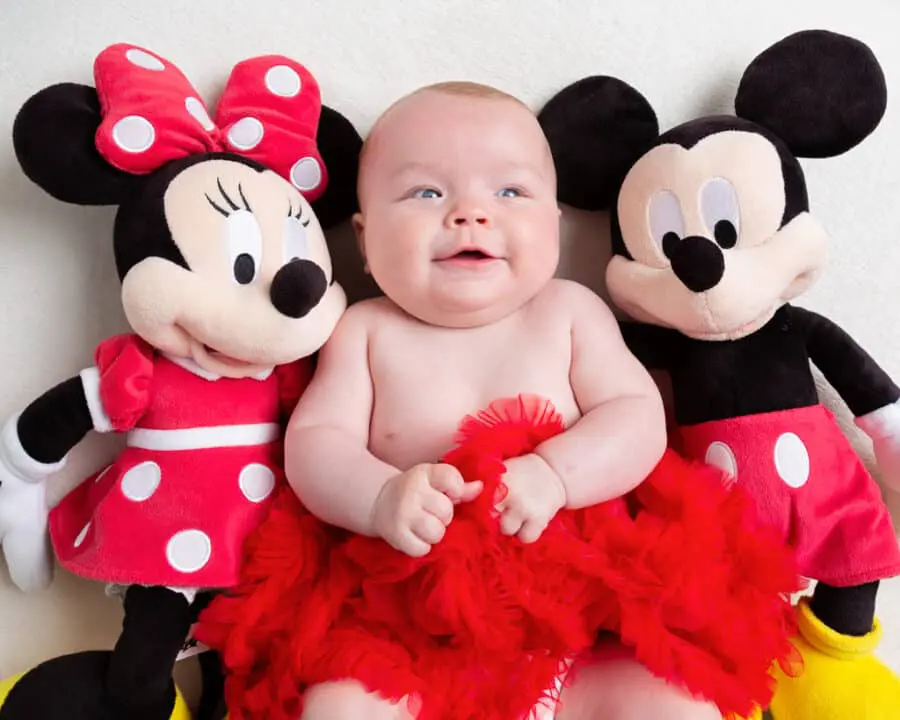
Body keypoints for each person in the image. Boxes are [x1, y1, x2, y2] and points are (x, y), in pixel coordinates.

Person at [283, 80, 720, 720]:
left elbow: (636, 416)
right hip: (408, 633)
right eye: (426, 192)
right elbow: (315, 444)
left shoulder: (570, 313)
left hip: (582, 631)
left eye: (510, 191)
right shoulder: (364, 331)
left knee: (678, 704)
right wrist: (380, 498)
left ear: (555, 226)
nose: (469, 213)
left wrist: (556, 474)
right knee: (339, 709)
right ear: (365, 239)